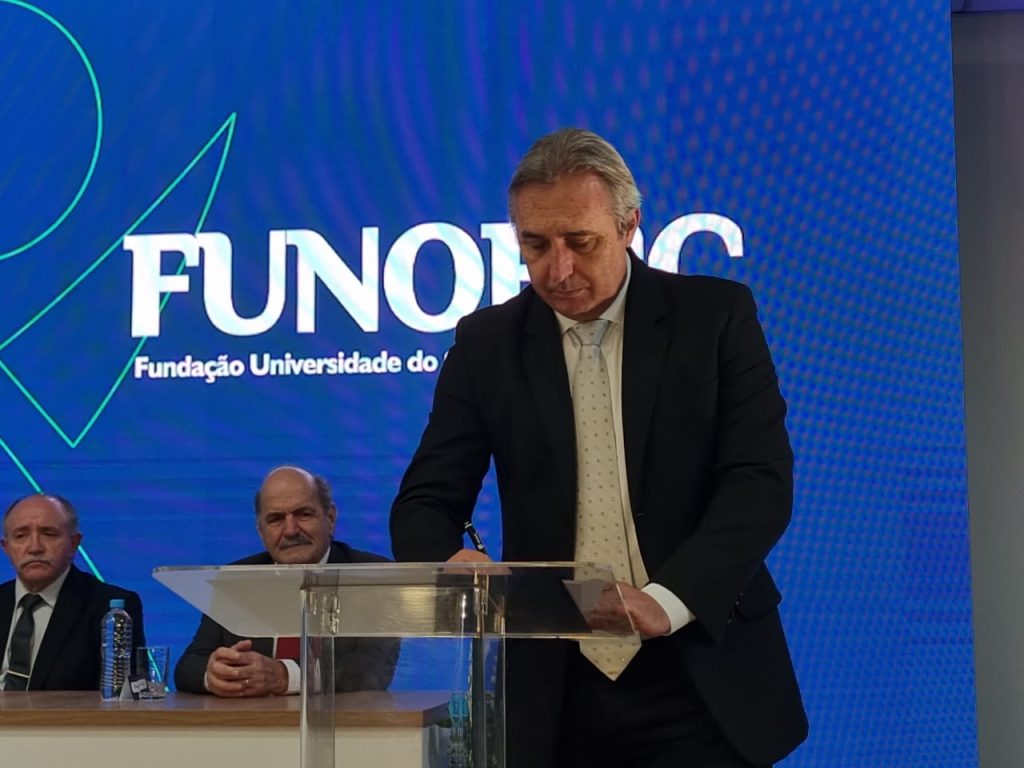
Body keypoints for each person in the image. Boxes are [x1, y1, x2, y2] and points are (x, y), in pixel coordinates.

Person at [391, 128, 807, 767]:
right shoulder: (487, 344)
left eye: (580, 242)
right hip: (555, 687)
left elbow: (760, 482)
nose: (558, 270)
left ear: (628, 225)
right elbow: (423, 503)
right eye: (535, 245)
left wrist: (664, 603)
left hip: (700, 663)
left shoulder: (714, 317)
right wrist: (451, 562)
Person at [175, 466, 399, 696]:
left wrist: (285, 676)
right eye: (276, 519)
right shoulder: (235, 579)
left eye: (303, 514)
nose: (291, 530)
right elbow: (188, 665)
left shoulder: (373, 577)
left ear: (330, 518)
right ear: (261, 531)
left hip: (344, 719)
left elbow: (372, 670)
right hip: (251, 717)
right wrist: (213, 674)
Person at [0, 493, 145, 691]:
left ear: (74, 543)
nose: (34, 548)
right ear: (6, 547)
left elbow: (125, 694)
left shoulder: (107, 606)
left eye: (49, 534)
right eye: (21, 536)